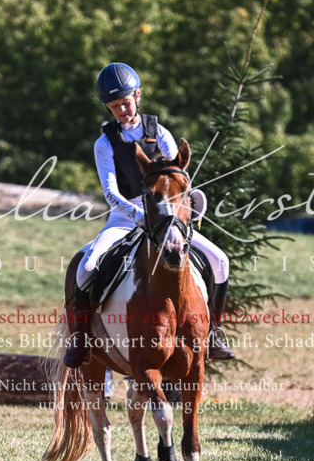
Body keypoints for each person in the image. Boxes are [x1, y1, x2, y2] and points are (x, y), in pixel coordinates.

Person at [63, 61, 234, 367]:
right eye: (114, 106)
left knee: (220, 261)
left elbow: (178, 179)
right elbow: (111, 194)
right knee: (86, 266)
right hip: (124, 219)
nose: (122, 110)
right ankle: (81, 339)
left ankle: (214, 334)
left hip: (166, 218)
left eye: (125, 103)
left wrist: (190, 202)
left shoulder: (162, 134)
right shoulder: (105, 144)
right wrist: (139, 216)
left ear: (137, 96)